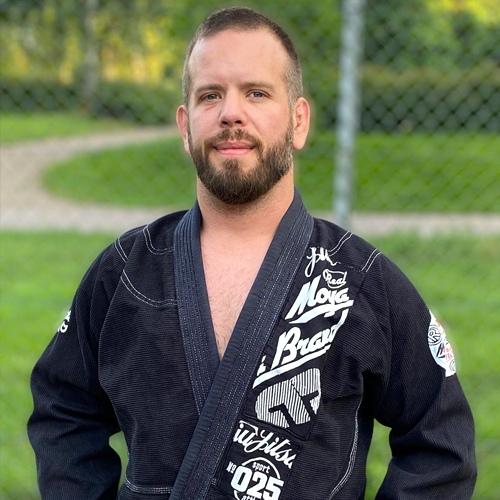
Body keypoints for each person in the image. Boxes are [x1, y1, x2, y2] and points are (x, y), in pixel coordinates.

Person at [28, 6, 476, 500]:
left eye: (257, 93)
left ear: (298, 121)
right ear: (185, 127)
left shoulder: (360, 282)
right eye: (210, 95)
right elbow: (63, 409)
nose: (231, 113)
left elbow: (441, 441)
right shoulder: (126, 275)